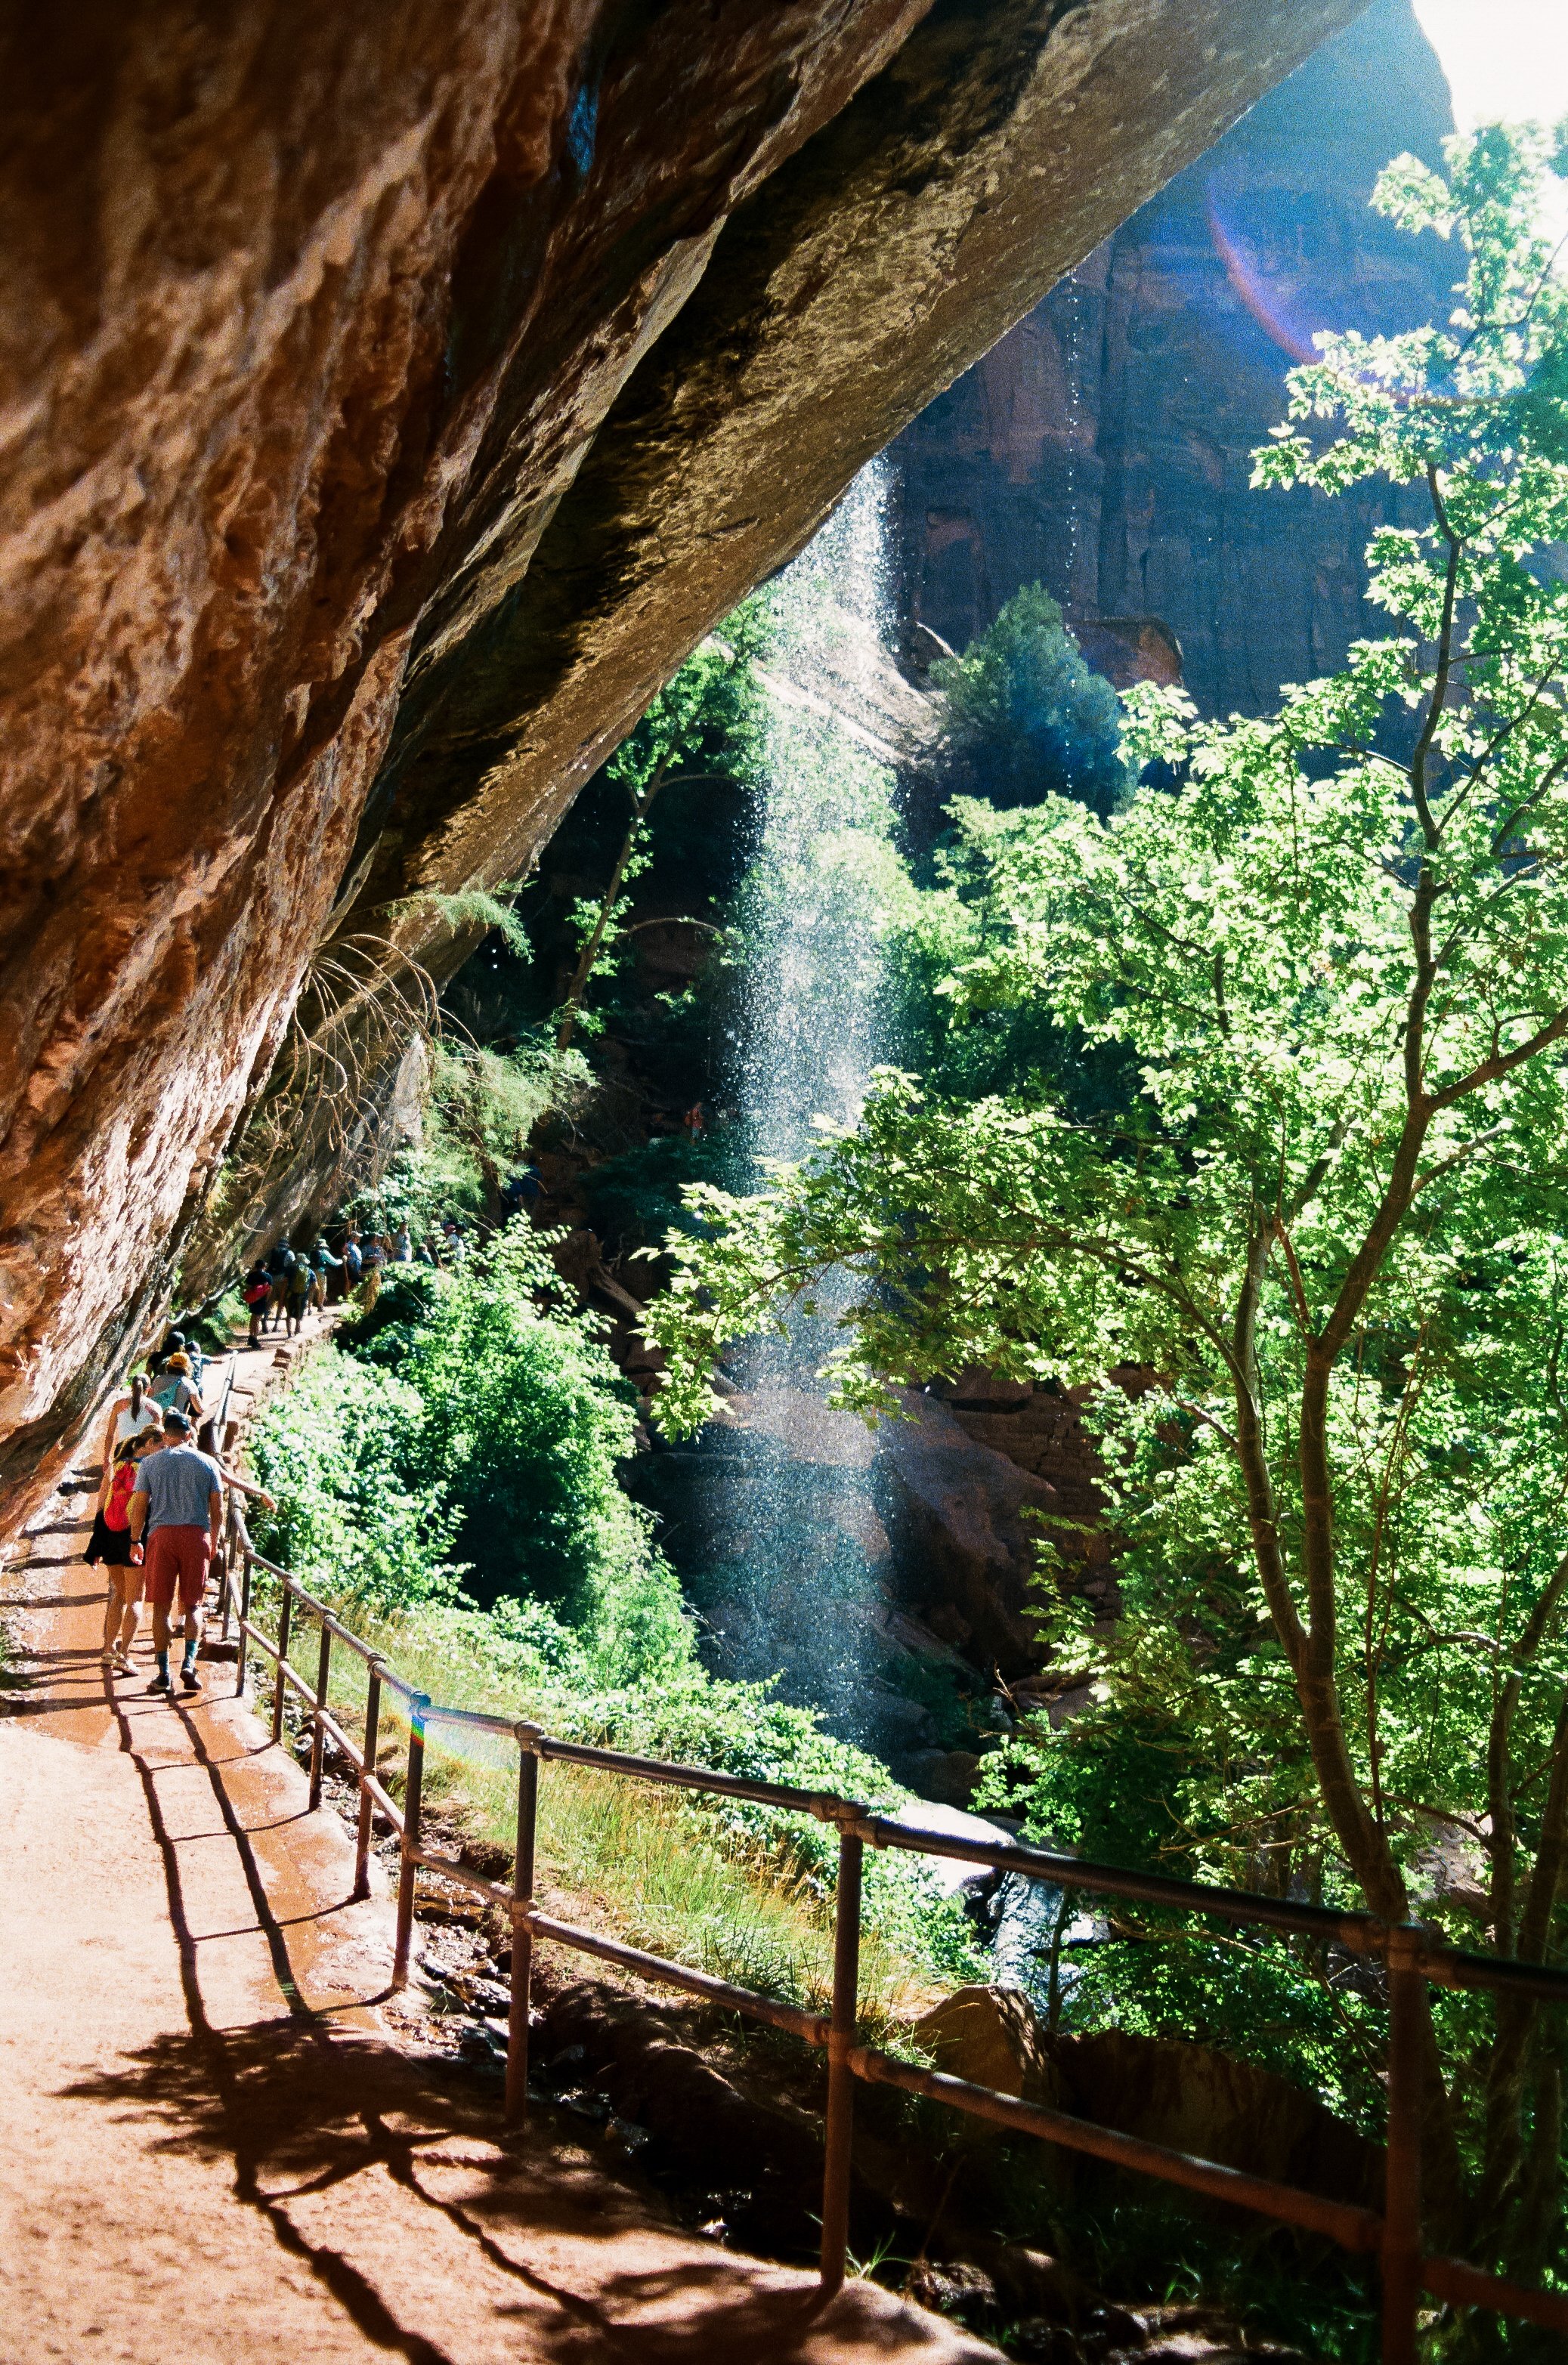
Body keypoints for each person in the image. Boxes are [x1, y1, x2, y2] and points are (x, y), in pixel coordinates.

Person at [128, 1409, 224, 1696]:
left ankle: (163, 1674)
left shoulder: (150, 1463)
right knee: (193, 1605)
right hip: (196, 1536)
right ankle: (190, 1664)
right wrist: (214, 1541)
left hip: (162, 1536)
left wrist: (135, 1540)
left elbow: (140, 1506)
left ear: (164, 1436)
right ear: (189, 1435)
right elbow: (217, 1509)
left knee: (160, 1606)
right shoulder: (208, 1463)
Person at [88, 1430, 159, 1673]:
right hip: (133, 1538)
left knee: (118, 1594)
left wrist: (97, 1543)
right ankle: (125, 1656)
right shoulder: (150, 1470)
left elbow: (99, 1508)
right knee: (136, 1599)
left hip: (109, 1536)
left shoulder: (115, 1466)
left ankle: (108, 1650)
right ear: (149, 1444)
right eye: (160, 1448)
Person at [99, 1371, 161, 1474]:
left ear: (132, 1387)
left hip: (121, 1451)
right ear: (149, 1389)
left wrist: (106, 1459)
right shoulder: (155, 1409)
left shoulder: (119, 1405)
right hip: (143, 1454)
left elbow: (110, 1435)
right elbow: (157, 1440)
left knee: (118, 1487)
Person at [151, 1349, 205, 1427]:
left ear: (169, 1365)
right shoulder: (189, 1384)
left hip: (157, 1422)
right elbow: (200, 1410)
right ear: (187, 1367)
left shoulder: (158, 1380)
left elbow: (149, 1399)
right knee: (192, 1433)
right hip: (175, 1424)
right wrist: (207, 1406)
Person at [243, 1259, 272, 1347]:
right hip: (262, 1299)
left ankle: (251, 1335)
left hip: (253, 1299)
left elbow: (247, 1287)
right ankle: (254, 1338)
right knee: (257, 1318)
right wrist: (267, 1299)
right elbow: (270, 1289)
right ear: (264, 1266)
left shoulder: (252, 1275)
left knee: (253, 1316)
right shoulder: (267, 1276)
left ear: (255, 1266)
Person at [284, 1249, 312, 1336]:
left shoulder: (290, 1268)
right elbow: (313, 1284)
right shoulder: (308, 1270)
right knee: (299, 1315)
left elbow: (285, 1282)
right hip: (303, 1294)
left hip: (291, 1293)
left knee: (289, 1314)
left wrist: (283, 1294)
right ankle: (297, 1331)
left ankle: (289, 1333)